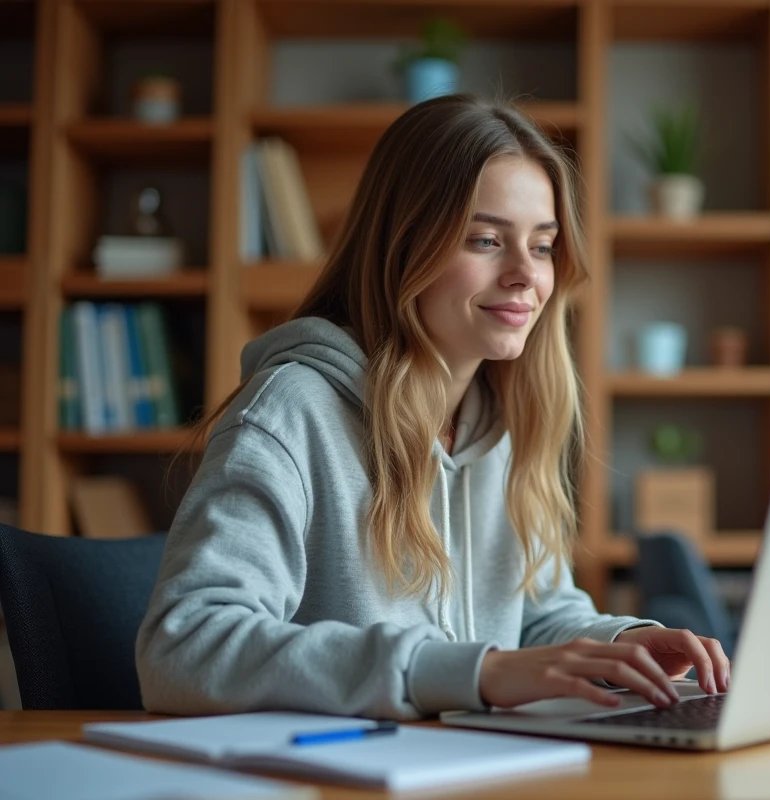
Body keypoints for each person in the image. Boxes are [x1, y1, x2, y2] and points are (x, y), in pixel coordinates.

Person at [136, 95, 730, 720]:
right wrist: (466, 672)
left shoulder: (502, 423)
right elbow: (183, 645)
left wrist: (620, 645)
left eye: (543, 245)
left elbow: (535, 615)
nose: (525, 274)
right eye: (485, 239)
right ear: (402, 246)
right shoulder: (290, 412)